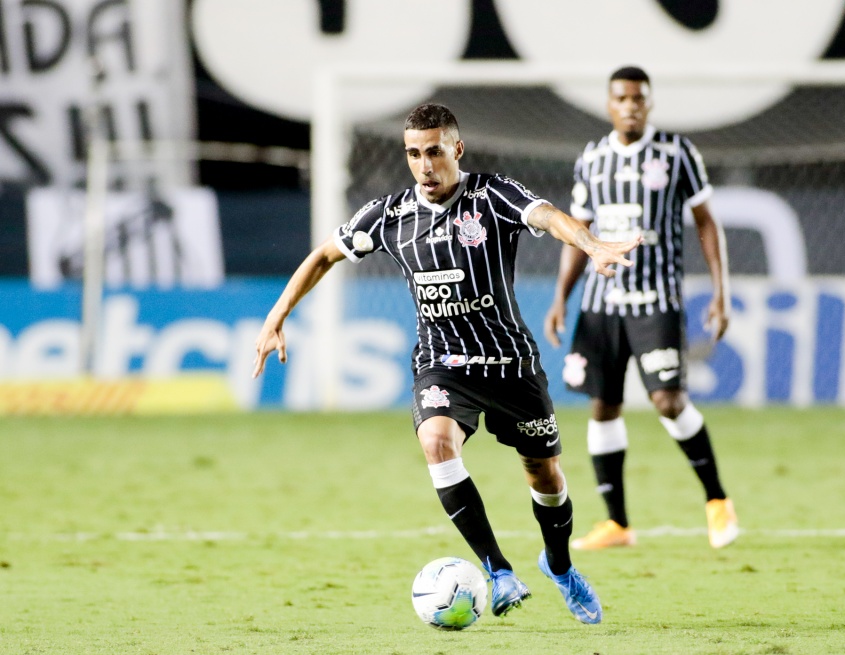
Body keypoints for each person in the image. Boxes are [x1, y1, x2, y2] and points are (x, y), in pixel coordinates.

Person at [252, 103, 643, 624]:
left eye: (434, 151)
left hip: (510, 365)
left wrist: (592, 244)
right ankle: (498, 570)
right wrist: (276, 315)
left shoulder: (491, 195)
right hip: (443, 366)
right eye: (413, 154)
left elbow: (547, 216)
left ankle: (560, 565)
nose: (424, 165)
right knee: (436, 441)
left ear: (456, 149)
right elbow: (325, 254)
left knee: (545, 476)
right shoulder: (389, 216)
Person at [543, 66, 739, 551]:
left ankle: (717, 501)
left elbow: (706, 223)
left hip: (656, 301)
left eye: (638, 98)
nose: (630, 105)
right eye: (621, 98)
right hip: (600, 303)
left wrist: (721, 290)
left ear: (648, 103)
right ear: (609, 104)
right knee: (602, 406)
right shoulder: (591, 158)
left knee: (668, 401)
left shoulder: (676, 153)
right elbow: (577, 231)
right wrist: (560, 297)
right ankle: (617, 524)